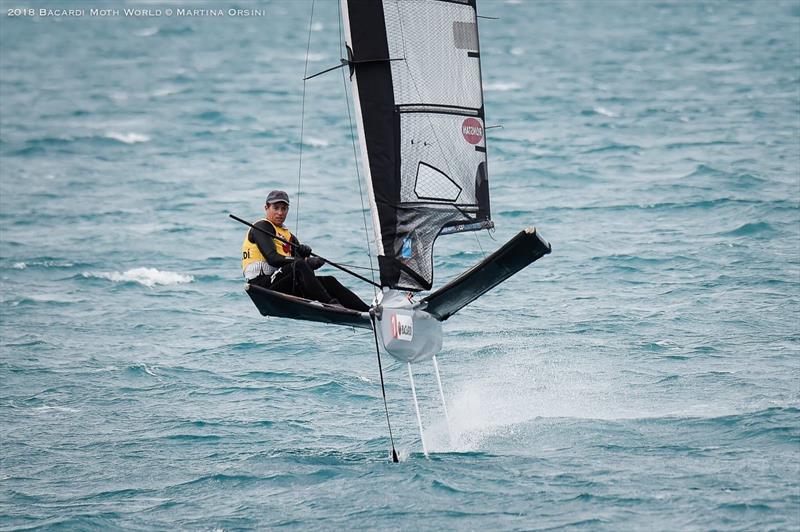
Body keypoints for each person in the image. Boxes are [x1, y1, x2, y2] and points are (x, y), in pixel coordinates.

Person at [241, 190, 369, 312]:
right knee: (300, 265)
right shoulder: (261, 226)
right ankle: (331, 305)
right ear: (266, 208)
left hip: (281, 283)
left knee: (329, 281)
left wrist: (307, 259)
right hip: (262, 285)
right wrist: (304, 262)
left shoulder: (289, 236)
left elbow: (302, 272)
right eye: (276, 208)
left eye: (284, 208)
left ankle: (368, 311)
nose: (280, 213)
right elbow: (273, 259)